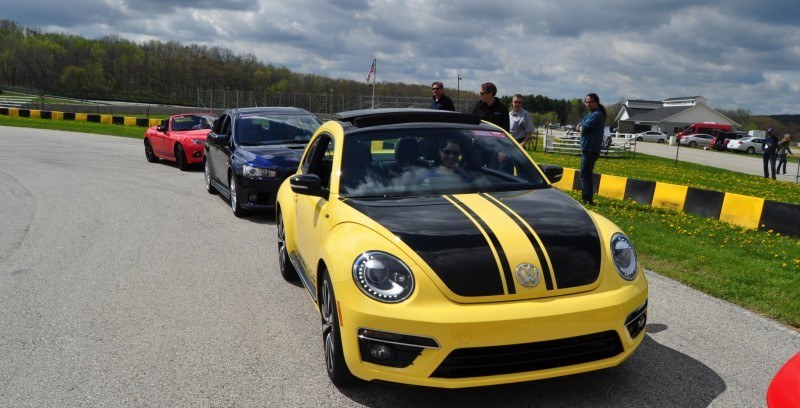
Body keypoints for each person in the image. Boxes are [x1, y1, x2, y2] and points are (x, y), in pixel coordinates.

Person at [576, 92, 606, 205]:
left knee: (585, 175)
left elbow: (582, 129)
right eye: (586, 101)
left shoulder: (596, 115)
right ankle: (587, 199)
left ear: (596, 102)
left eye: (590, 102)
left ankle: (587, 200)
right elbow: (579, 125)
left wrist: (580, 127)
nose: (587, 104)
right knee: (586, 174)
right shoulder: (590, 114)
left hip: (590, 149)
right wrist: (580, 126)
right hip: (588, 148)